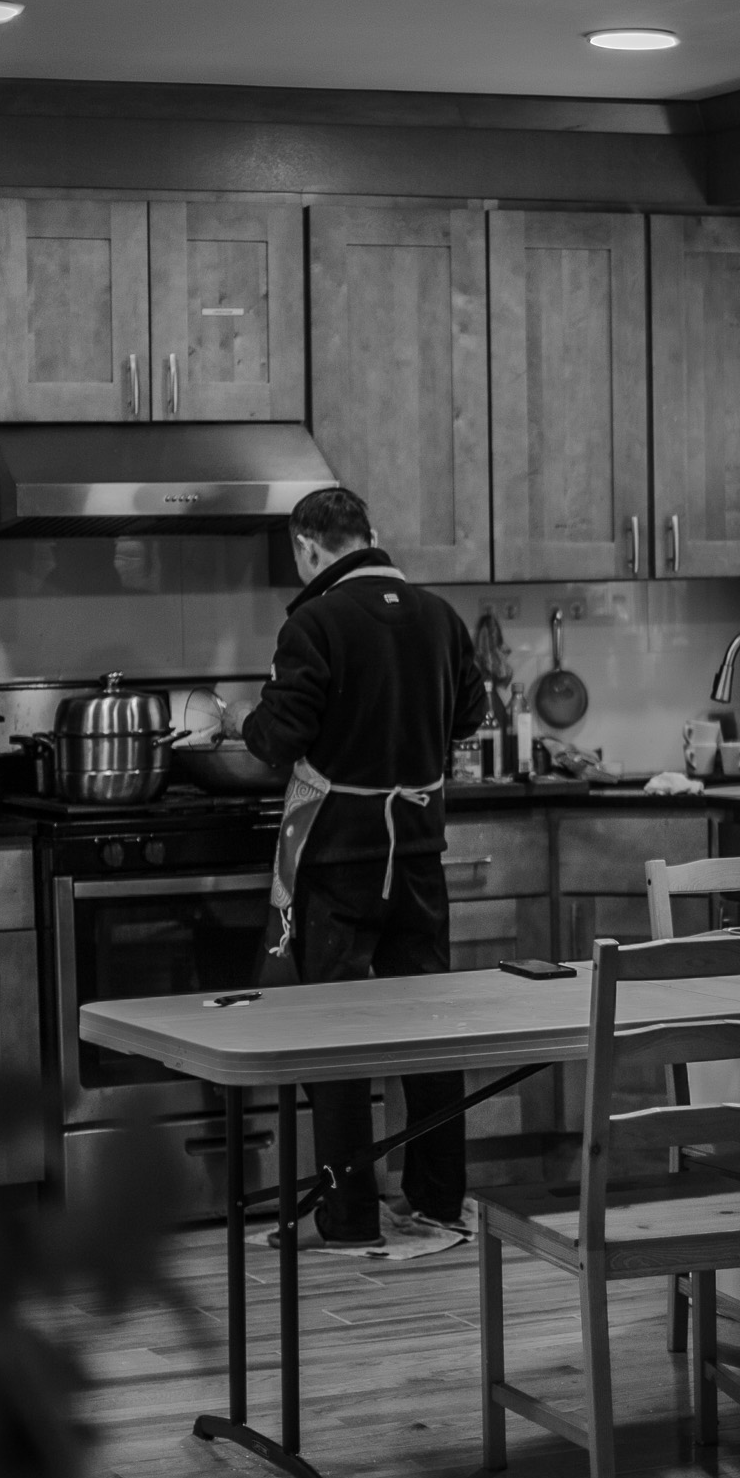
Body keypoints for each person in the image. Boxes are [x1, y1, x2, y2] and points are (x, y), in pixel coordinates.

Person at [240, 486, 489, 1244]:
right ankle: (438, 1198)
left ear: (308, 548)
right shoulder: (441, 617)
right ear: (370, 536)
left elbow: (279, 737)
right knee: (430, 1028)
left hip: (341, 860)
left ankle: (348, 1213)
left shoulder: (314, 623)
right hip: (416, 854)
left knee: (335, 1035)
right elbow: (471, 715)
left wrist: (246, 722)